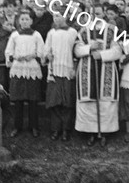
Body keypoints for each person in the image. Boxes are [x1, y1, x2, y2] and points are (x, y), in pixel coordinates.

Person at [74, 17, 122, 147]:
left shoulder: (112, 31)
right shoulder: (83, 31)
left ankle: (104, 133)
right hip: (87, 70)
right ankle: (91, 133)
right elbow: (77, 50)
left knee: (106, 102)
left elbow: (118, 51)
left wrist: (101, 55)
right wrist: (90, 48)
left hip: (107, 70)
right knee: (89, 102)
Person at [6, 8, 45, 138]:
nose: (24, 21)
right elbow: (8, 51)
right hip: (18, 68)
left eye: (27, 19)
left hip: (32, 67)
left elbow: (41, 51)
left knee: (33, 100)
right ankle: (17, 126)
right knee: (18, 100)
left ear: (31, 21)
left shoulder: (36, 35)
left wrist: (33, 55)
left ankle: (33, 126)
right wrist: (15, 57)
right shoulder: (15, 35)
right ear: (19, 21)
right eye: (22, 19)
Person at [44, 9, 78, 141]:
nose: (55, 19)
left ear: (66, 16)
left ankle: (66, 130)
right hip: (54, 71)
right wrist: (48, 55)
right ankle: (55, 129)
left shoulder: (72, 32)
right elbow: (46, 48)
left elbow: (75, 51)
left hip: (67, 70)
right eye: (54, 16)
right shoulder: (51, 33)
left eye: (58, 16)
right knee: (54, 101)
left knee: (67, 102)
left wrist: (74, 68)